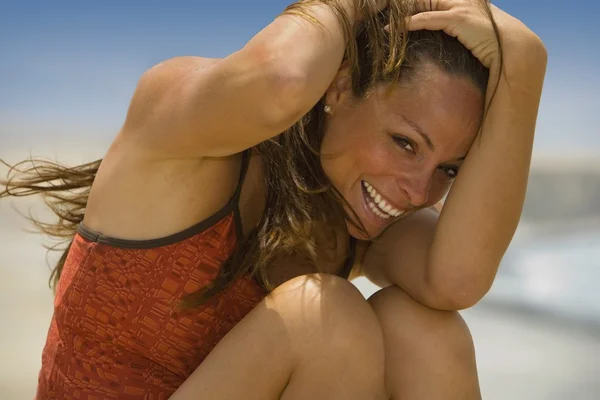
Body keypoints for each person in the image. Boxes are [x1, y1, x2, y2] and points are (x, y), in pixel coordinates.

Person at [1, 0, 547, 398]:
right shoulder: (186, 134)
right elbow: (281, 81)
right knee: (324, 318)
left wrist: (523, 66)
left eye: (448, 170)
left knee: (427, 332)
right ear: (337, 88)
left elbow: (456, 280)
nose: (419, 191)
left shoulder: (354, 219)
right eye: (404, 143)